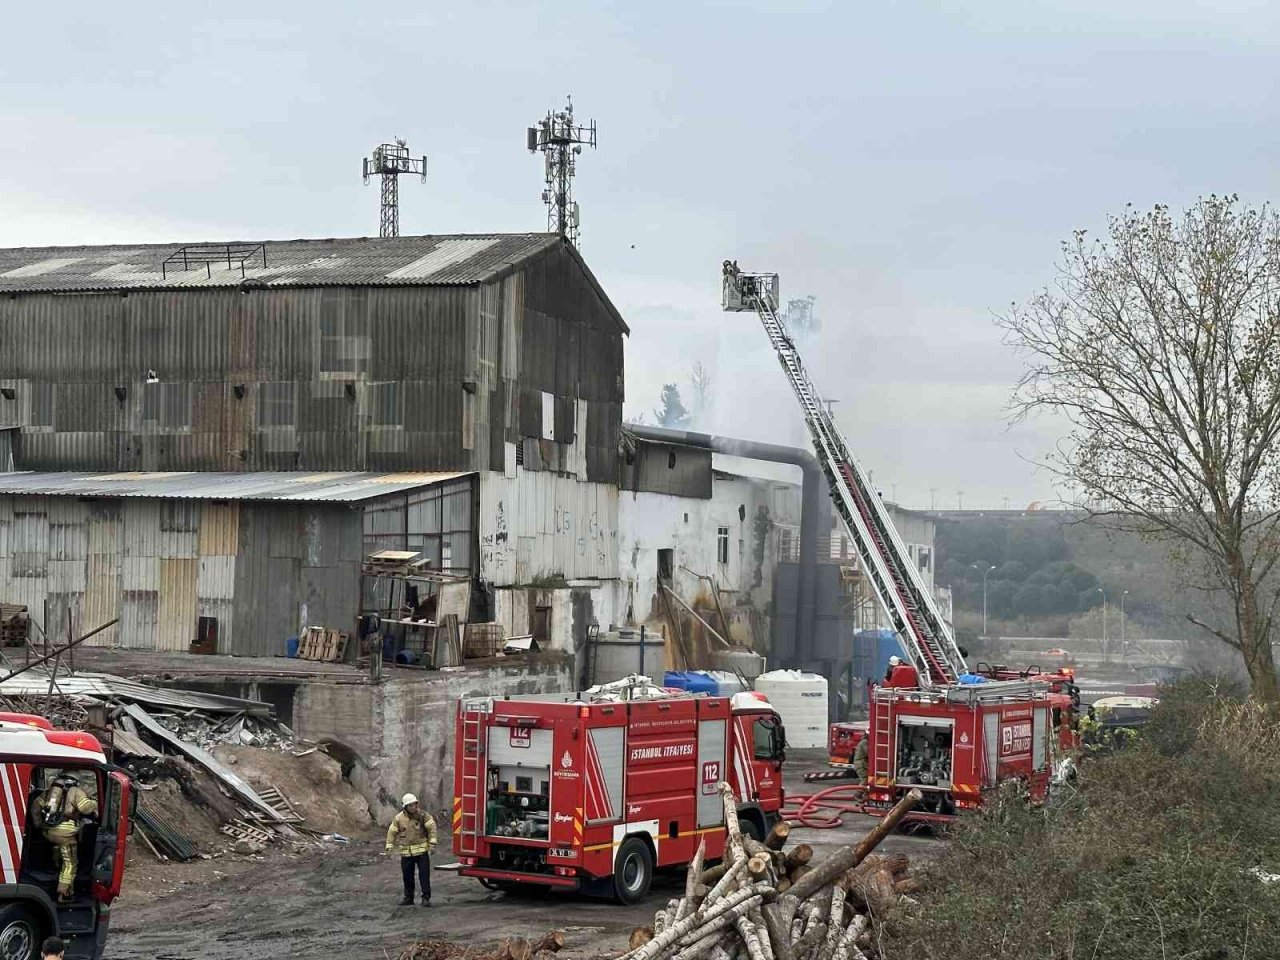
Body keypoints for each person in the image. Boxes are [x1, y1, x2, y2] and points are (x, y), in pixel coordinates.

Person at [36, 773, 97, 903]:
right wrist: (95, 803)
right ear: (75, 780)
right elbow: (85, 808)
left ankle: (55, 865)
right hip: (65, 834)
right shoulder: (75, 791)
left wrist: (38, 824)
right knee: (70, 863)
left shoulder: (50, 792)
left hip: (48, 831)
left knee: (57, 848)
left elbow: (35, 807)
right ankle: (64, 893)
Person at [386, 792, 437, 906]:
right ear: (405, 807)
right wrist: (389, 846)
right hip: (406, 854)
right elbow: (392, 832)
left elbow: (432, 828)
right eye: (410, 805)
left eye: (414, 804)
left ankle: (426, 898)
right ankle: (409, 898)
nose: (413, 807)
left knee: (424, 876)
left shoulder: (423, 815)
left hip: (421, 853)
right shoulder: (399, 818)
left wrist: (432, 844)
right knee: (407, 877)